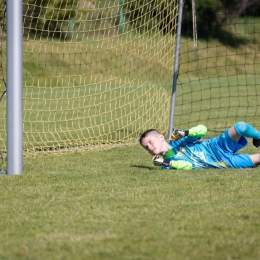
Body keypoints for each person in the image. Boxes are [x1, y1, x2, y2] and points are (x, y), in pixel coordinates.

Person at [139, 121, 260, 170]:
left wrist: (185, 133)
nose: (149, 147)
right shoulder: (166, 165)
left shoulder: (178, 142)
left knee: (241, 127)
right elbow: (188, 166)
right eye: (146, 147)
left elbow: (203, 129)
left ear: (161, 137)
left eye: (150, 142)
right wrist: (166, 162)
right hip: (222, 163)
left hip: (217, 146)